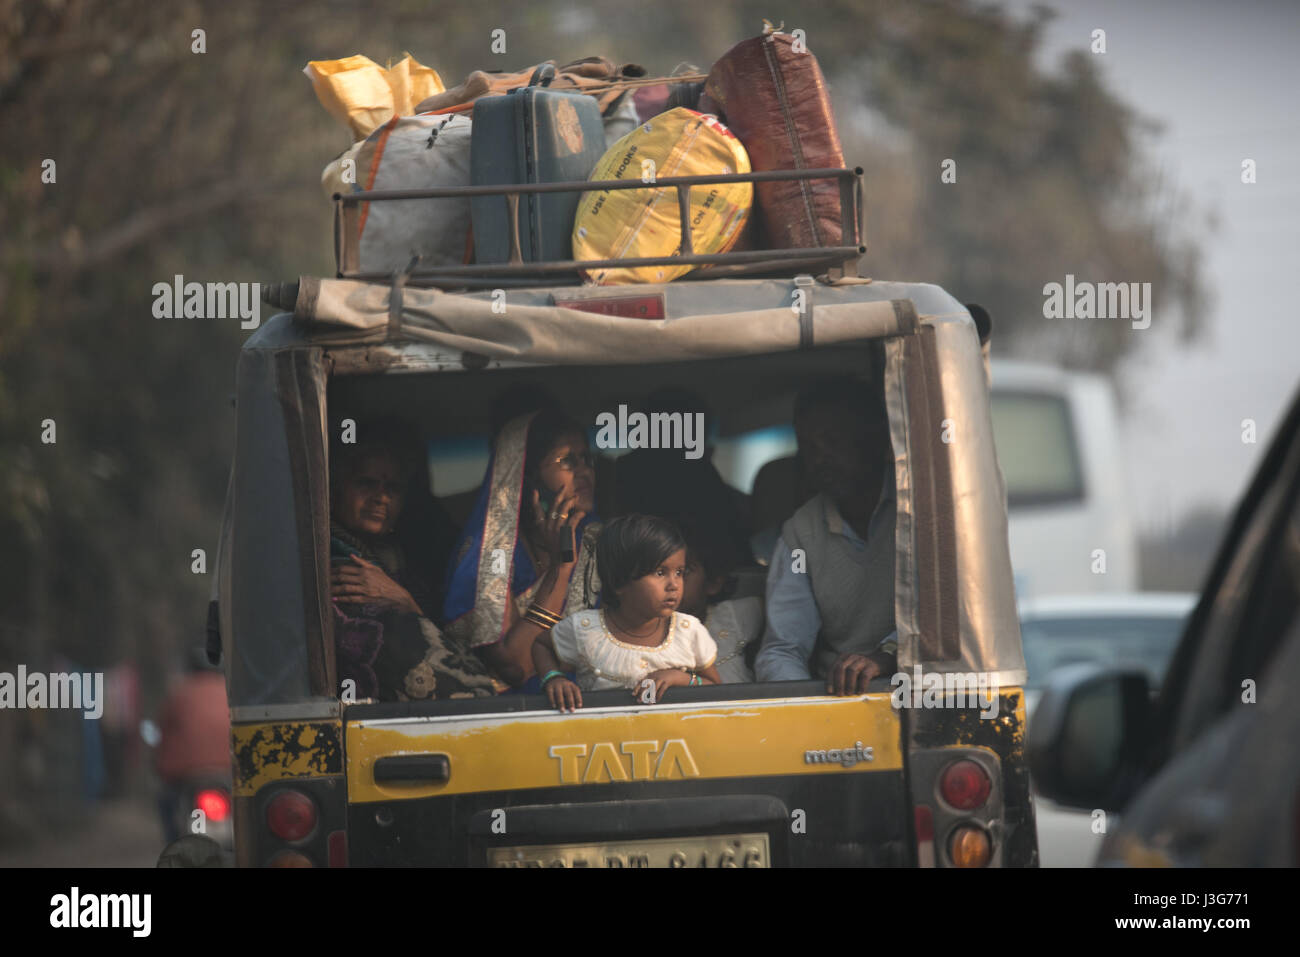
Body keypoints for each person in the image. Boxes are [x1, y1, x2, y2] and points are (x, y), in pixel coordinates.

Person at [331, 419, 496, 701]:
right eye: (366, 483)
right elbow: (461, 687)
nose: (381, 497)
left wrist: (408, 602)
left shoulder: (397, 561)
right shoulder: (348, 570)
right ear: (336, 489)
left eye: (393, 488)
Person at [754, 376, 898, 694]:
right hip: (838, 694)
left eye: (833, 440)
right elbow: (783, 649)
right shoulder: (800, 533)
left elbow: (946, 621)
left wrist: (888, 655)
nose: (820, 458)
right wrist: (805, 709)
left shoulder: (920, 510)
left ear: (876, 439)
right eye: (809, 446)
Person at [442, 408, 601, 691]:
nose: (584, 471)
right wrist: (560, 569)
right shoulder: (495, 554)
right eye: (568, 461)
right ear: (527, 478)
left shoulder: (595, 540)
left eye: (587, 459)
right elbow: (518, 665)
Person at [534, 514, 721, 711]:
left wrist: (680, 678)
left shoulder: (689, 631)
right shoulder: (585, 629)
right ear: (619, 582)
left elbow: (716, 688)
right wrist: (553, 678)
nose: (673, 585)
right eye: (660, 573)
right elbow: (541, 645)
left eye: (679, 572)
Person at [675, 520, 762, 684]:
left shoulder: (731, 615)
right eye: (659, 572)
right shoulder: (646, 634)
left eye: (684, 571)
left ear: (713, 583)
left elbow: (786, 610)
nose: (673, 581)